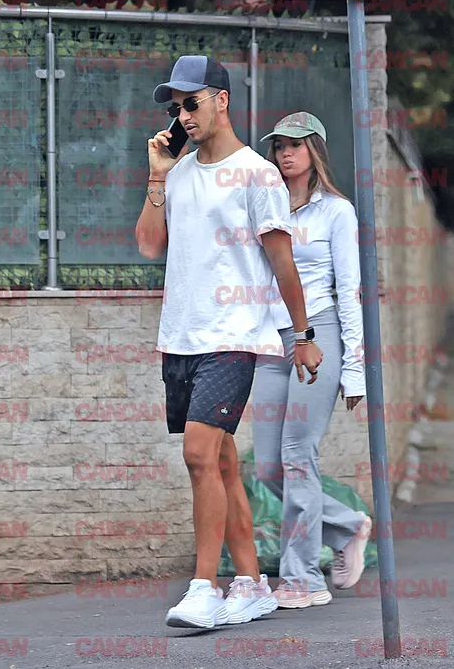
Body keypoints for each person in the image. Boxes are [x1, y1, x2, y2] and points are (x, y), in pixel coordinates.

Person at [135, 57, 323, 629]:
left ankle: (204, 588)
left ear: (221, 100)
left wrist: (302, 335)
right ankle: (251, 583)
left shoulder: (257, 174)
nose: (183, 116)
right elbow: (149, 245)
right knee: (220, 461)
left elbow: (282, 261)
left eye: (191, 103)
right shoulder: (179, 174)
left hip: (234, 334)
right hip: (181, 336)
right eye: (176, 108)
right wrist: (158, 176)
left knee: (197, 454)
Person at [251, 112, 372, 609]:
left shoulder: (337, 213)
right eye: (279, 146)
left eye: (295, 145)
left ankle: (302, 579)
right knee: (266, 467)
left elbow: (350, 291)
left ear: (315, 151)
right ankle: (346, 526)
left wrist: (355, 369)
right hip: (270, 340)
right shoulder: (267, 205)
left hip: (318, 335)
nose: (285, 153)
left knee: (298, 454)